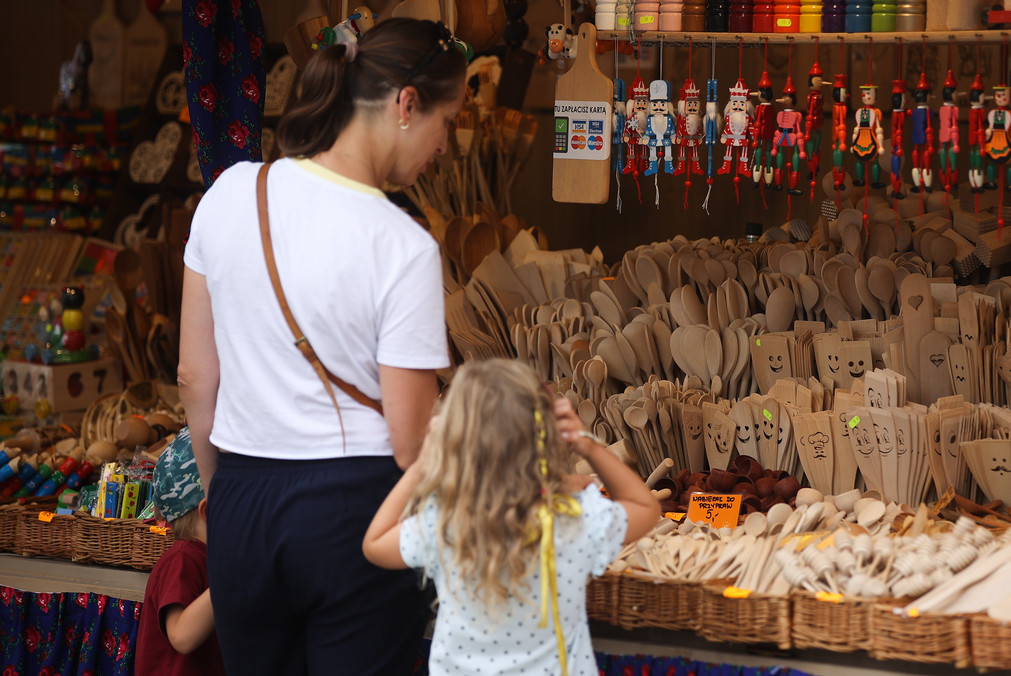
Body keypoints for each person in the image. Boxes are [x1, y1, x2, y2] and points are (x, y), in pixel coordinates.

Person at [177, 18, 466, 675]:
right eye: (446, 122)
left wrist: (223, 497)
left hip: (243, 500)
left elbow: (196, 375)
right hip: (354, 509)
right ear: (407, 105)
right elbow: (409, 442)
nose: (444, 147)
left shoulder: (229, 195)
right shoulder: (403, 244)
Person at [363, 359, 660, 675]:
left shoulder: (445, 522)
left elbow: (375, 543)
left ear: (454, 440)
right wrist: (587, 444)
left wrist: (424, 461)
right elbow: (645, 508)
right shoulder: (574, 517)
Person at [134, 428, 224, 676]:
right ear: (208, 511)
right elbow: (182, 636)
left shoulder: (210, 555)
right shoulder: (183, 559)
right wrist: (231, 576)